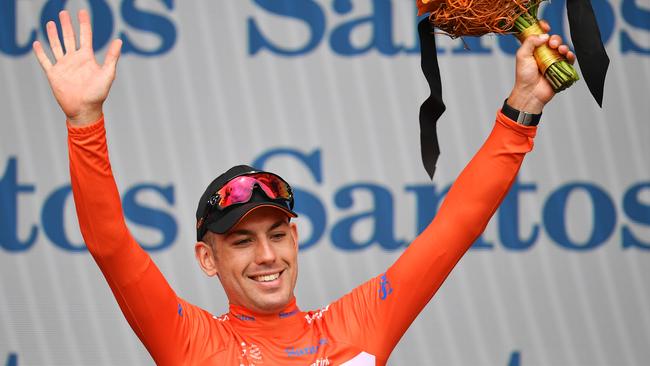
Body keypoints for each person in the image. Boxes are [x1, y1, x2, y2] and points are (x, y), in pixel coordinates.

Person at [33, 9, 575, 366]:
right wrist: (85, 123)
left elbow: (456, 225)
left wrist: (521, 108)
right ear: (207, 258)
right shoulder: (193, 344)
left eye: (276, 233)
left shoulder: (359, 324)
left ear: (295, 239)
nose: (266, 255)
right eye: (241, 241)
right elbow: (109, 243)